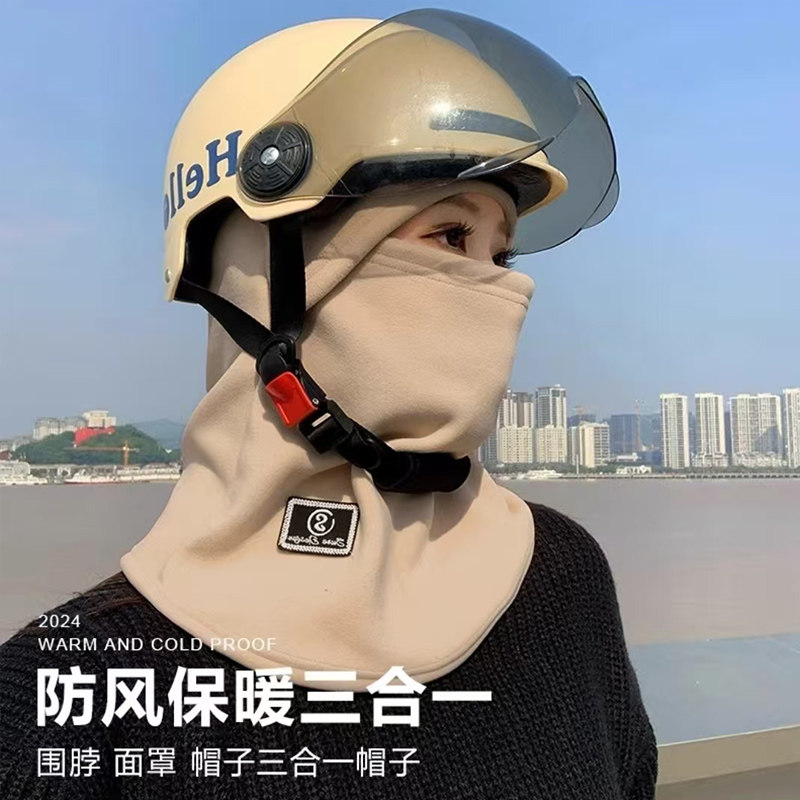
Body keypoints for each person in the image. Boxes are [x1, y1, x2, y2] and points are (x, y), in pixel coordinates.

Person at [0, 9, 658, 799]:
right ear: (267, 267)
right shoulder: (66, 698)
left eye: (501, 251)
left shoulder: (562, 574)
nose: (500, 287)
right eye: (451, 235)